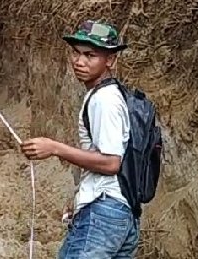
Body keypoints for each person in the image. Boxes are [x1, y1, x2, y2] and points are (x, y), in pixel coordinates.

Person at [20, 19, 139, 259]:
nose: (79, 61)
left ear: (111, 60)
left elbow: (111, 163)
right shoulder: (108, 95)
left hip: (104, 215)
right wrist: (81, 199)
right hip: (119, 213)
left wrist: (54, 148)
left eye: (90, 55)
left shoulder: (104, 100)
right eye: (76, 53)